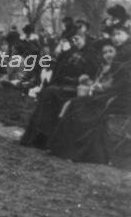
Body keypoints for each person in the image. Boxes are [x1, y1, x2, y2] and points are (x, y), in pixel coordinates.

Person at [49, 26, 131, 164]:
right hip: (113, 92)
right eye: (113, 35)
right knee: (76, 103)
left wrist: (105, 88)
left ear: (127, 34)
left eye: (119, 34)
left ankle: (78, 152)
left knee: (81, 107)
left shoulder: (127, 53)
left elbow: (124, 81)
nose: (115, 38)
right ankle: (62, 148)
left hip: (124, 97)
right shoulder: (122, 52)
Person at [20, 30, 99, 148]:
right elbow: (60, 69)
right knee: (48, 94)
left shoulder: (91, 55)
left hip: (77, 87)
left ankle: (47, 138)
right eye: (73, 40)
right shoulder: (69, 53)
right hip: (63, 85)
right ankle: (39, 137)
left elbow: (90, 75)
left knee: (50, 93)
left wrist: (75, 80)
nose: (75, 42)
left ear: (84, 39)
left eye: (77, 39)